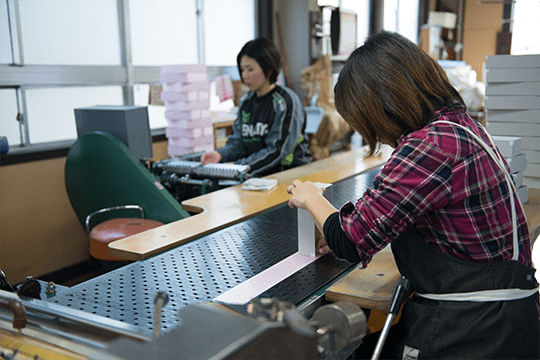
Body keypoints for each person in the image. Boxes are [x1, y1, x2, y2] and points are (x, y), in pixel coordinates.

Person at [287, 31, 539, 359]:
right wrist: (344, 221)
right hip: (502, 312)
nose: (375, 134)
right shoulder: (459, 126)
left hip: (478, 328)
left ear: (382, 103)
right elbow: (388, 206)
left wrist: (310, 198)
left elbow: (350, 240)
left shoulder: (429, 145)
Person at [201, 38, 312, 177]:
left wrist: (240, 167)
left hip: (290, 174)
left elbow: (278, 150)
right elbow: (238, 143)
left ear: (269, 68)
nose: (245, 76)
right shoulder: (246, 102)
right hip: (256, 175)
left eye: (250, 69)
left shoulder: (285, 102)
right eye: (242, 70)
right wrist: (220, 155)